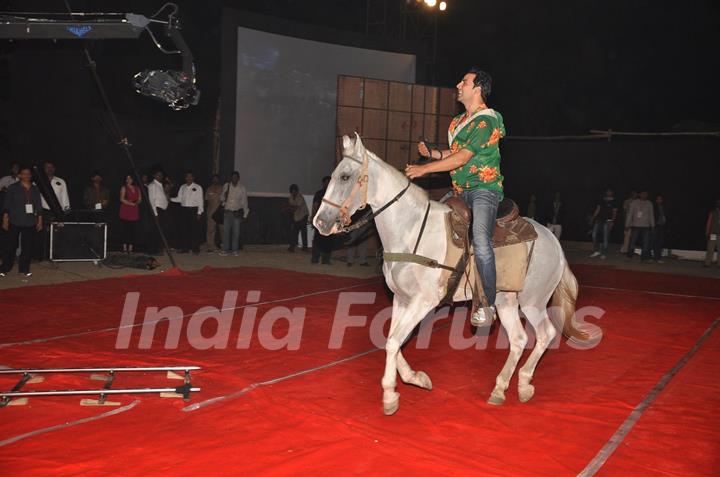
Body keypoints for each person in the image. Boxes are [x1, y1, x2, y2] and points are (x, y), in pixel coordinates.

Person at [405, 67, 505, 327]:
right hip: (460, 191)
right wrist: (433, 154)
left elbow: (463, 157)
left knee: (481, 239)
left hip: (484, 189)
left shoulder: (487, 120)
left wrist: (424, 169)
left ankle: (488, 304)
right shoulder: (457, 122)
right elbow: (452, 153)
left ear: (478, 88)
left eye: (465, 81)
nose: (458, 84)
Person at [1, 166, 43, 277]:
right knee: (11, 245)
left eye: (29, 174)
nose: (27, 175)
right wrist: (5, 220)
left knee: (27, 246)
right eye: (24, 173)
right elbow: (7, 205)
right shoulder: (13, 188)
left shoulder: (35, 188)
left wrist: (40, 220)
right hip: (15, 220)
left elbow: (38, 206)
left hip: (30, 221)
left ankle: (24, 269)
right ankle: (5, 268)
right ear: (19, 175)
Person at [171, 171, 204, 254]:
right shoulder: (182, 187)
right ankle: (185, 248)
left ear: (193, 178)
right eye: (187, 177)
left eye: (190, 177)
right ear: (185, 178)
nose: (189, 178)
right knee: (184, 230)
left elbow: (200, 200)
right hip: (184, 210)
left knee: (194, 230)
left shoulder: (198, 187)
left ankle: (195, 248)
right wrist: (170, 199)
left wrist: (199, 212)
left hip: (193, 210)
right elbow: (179, 199)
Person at [220, 171, 249, 256]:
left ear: (238, 178)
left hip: (236, 213)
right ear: (230, 178)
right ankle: (225, 249)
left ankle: (234, 250)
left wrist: (245, 214)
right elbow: (221, 198)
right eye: (233, 177)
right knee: (226, 232)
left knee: (236, 232)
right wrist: (224, 195)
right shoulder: (226, 186)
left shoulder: (242, 188)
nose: (234, 178)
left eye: (236, 177)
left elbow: (245, 202)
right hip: (227, 212)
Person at [625, 190, 654, 262]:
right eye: (643, 194)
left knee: (646, 242)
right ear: (640, 194)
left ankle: (644, 258)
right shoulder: (634, 202)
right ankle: (630, 256)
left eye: (646, 194)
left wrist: (652, 225)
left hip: (646, 226)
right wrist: (627, 224)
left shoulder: (649, 203)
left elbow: (651, 215)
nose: (644, 195)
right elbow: (630, 214)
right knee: (632, 241)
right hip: (635, 225)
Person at [589, 189, 617, 259]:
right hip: (599, 220)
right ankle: (596, 251)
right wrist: (593, 218)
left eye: (610, 191)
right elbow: (597, 209)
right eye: (607, 191)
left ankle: (604, 253)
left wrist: (612, 222)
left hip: (607, 221)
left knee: (605, 237)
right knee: (594, 235)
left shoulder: (614, 201)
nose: (608, 192)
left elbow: (614, 213)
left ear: (612, 192)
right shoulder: (601, 199)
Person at [147, 169, 169, 255]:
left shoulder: (160, 185)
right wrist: (155, 213)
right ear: (154, 175)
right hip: (157, 210)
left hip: (162, 210)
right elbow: (151, 200)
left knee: (160, 231)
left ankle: (159, 249)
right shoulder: (152, 185)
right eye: (158, 174)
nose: (160, 176)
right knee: (155, 231)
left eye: (161, 175)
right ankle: (153, 250)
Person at [311, 176, 333, 264]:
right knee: (317, 239)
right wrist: (314, 217)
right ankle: (315, 258)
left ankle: (326, 260)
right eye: (326, 182)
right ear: (323, 183)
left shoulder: (333, 194)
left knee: (328, 239)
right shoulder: (319, 193)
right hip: (320, 219)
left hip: (330, 219)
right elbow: (315, 205)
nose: (327, 184)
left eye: (329, 182)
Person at [119, 173, 142, 253]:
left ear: (133, 179)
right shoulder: (124, 187)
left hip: (134, 210)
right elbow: (121, 199)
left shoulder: (137, 188)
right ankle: (124, 248)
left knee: (133, 230)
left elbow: (140, 199)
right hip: (126, 210)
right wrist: (130, 203)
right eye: (127, 178)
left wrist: (136, 203)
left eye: (130, 178)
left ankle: (131, 248)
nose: (128, 180)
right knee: (125, 230)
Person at [204, 174, 224, 252]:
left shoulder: (223, 189)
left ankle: (223, 246)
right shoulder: (209, 189)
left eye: (216, 179)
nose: (215, 180)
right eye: (214, 179)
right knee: (210, 229)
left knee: (222, 230)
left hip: (220, 212)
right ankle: (210, 247)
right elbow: (206, 200)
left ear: (219, 180)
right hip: (211, 212)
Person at [287, 184, 309, 252]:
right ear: (291, 191)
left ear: (297, 191)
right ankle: (292, 247)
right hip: (296, 216)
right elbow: (291, 207)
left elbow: (296, 207)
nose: (294, 192)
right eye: (292, 191)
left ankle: (305, 247)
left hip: (303, 215)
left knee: (303, 232)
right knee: (294, 232)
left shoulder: (300, 197)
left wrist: (288, 208)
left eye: (295, 190)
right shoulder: (290, 197)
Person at [704, 199, 720, 268]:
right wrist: (707, 232)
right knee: (710, 249)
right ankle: (707, 263)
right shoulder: (713, 212)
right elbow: (709, 222)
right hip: (713, 234)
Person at [652, 195, 667, 263]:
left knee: (660, 242)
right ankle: (653, 257)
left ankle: (658, 257)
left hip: (661, 226)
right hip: (655, 226)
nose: (659, 200)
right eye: (657, 199)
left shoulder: (664, 207)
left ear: (662, 200)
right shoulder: (654, 207)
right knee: (654, 242)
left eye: (660, 199)